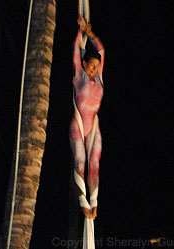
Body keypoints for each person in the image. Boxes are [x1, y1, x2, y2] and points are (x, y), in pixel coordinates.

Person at [69, 16, 105, 220]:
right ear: (84, 63)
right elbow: (76, 48)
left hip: (94, 127)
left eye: (96, 66)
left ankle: (94, 201)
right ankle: (83, 202)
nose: (94, 68)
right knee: (80, 162)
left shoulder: (99, 79)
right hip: (79, 124)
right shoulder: (78, 75)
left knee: (95, 165)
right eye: (91, 65)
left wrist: (90, 33)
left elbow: (101, 50)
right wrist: (80, 31)